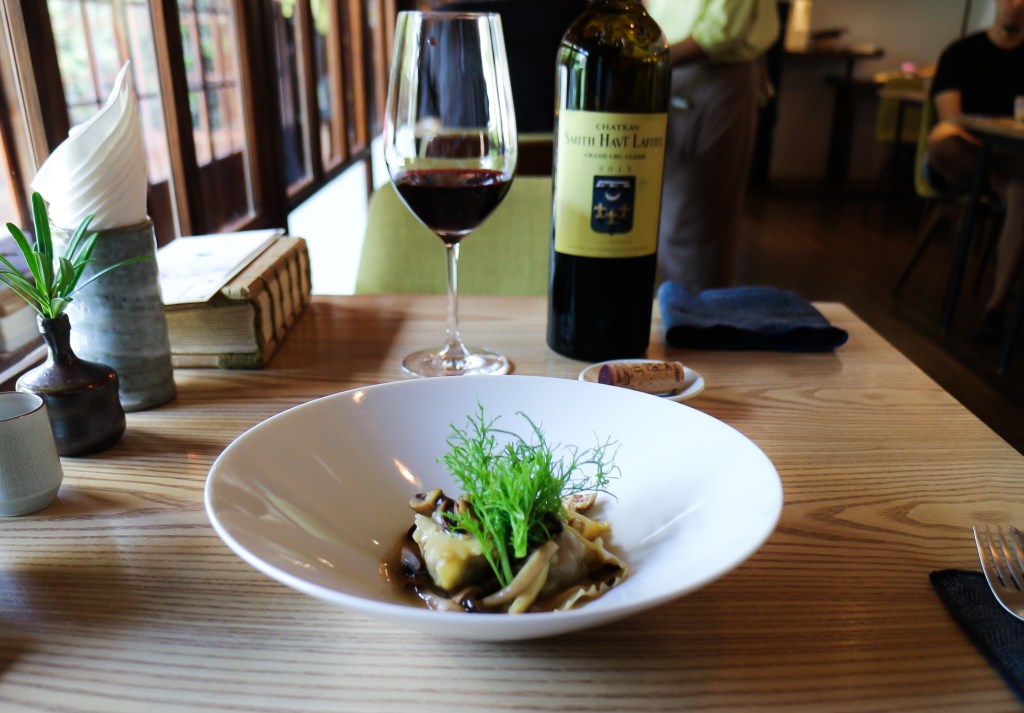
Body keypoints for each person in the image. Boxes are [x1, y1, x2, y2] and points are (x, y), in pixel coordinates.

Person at [644, 0, 779, 293]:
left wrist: (644, 60)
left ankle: (693, 320)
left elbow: (719, 32)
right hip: (671, 72)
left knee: (692, 232)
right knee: (665, 227)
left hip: (707, 75)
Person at [926, 0, 1024, 342]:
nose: (1017, 5)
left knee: (1020, 191)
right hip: (964, 163)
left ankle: (995, 309)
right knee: (942, 138)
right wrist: (993, 161)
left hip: (1013, 170)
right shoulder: (961, 54)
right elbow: (950, 121)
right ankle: (1001, 169)